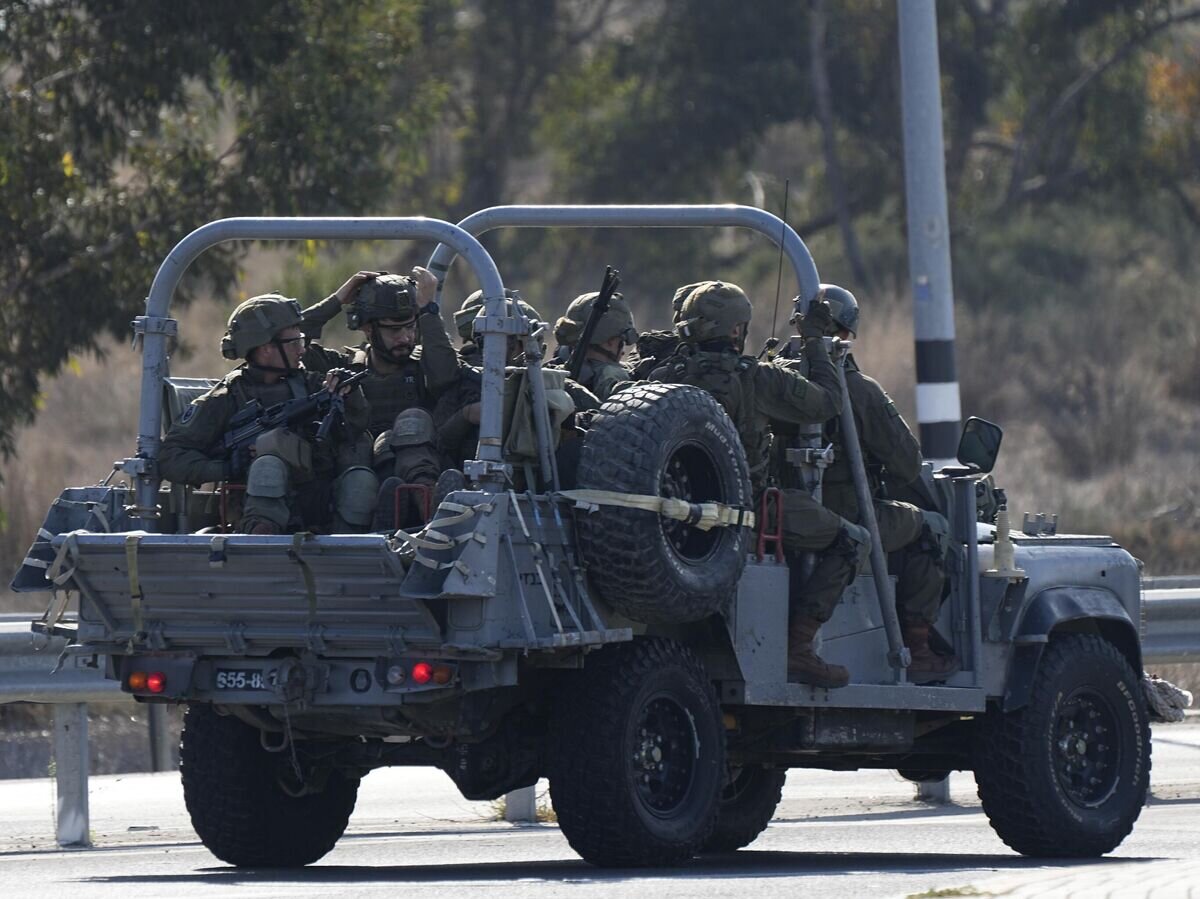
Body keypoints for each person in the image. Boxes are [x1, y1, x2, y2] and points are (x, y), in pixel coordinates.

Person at [648, 281, 868, 688]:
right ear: (737, 331)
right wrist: (814, 341)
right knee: (853, 540)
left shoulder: (661, 377)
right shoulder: (757, 379)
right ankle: (799, 648)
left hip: (676, 515)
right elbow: (827, 402)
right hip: (747, 510)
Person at [785, 284, 958, 683]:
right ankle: (917, 650)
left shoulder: (775, 378)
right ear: (845, 332)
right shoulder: (859, 390)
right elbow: (908, 463)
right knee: (933, 529)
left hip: (790, 512)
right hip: (846, 514)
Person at [159, 294, 376, 535]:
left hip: (319, 502)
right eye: (293, 342)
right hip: (257, 513)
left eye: (300, 340)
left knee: (360, 482)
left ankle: (349, 555)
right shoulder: (226, 398)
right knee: (268, 467)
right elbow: (170, 456)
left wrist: (349, 395)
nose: (302, 349)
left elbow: (356, 426)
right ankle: (261, 549)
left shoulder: (312, 384)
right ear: (265, 349)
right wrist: (227, 468)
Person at [301, 269, 458, 528]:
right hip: (357, 490)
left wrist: (429, 310)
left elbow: (447, 375)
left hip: (416, 475)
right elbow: (288, 344)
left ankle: (430, 511)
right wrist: (338, 300)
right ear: (367, 329)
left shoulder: (427, 366)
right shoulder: (344, 367)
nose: (405, 337)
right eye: (394, 330)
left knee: (413, 422)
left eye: (410, 327)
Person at [548, 291, 637, 401]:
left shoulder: (550, 374)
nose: (623, 352)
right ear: (610, 342)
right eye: (622, 341)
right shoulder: (613, 378)